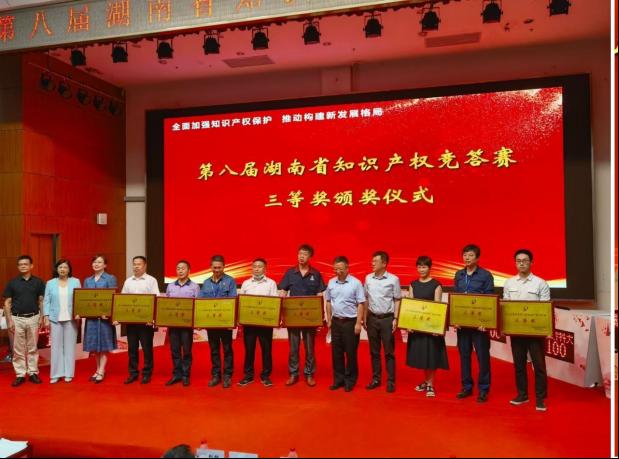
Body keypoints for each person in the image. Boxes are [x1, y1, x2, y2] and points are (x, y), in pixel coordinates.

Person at [503, 249, 551, 412]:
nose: (521, 263)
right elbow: (506, 306)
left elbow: (545, 308)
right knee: (519, 365)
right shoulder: (509, 283)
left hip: (535, 332)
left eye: (525, 260)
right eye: (518, 261)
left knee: (539, 366)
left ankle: (540, 398)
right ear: (515, 263)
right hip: (516, 331)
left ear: (531, 263)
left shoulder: (540, 283)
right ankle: (522, 395)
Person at [278, 244, 326, 387]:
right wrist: (281, 312)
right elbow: (283, 292)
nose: (301, 256)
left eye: (304, 254)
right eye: (299, 253)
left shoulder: (316, 274)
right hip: (293, 317)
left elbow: (319, 295)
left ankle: (309, 374)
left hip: (310, 318)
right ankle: (293, 374)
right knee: (293, 348)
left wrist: (320, 315)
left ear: (310, 257)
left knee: (309, 348)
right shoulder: (290, 273)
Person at [453, 244, 495, 403]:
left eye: (470, 255)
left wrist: (486, 322)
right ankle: (467, 387)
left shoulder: (485, 275)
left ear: (477, 258)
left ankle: (483, 389)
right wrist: (455, 320)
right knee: (464, 356)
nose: (467, 258)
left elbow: (490, 300)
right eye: (465, 255)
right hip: (463, 325)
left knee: (482, 357)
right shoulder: (459, 274)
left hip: (479, 325)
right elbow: (456, 299)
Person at [407, 256, 449, 397]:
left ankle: (430, 384)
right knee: (423, 356)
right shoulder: (413, 284)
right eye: (419, 267)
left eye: (424, 267)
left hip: (431, 328)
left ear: (430, 268)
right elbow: (410, 306)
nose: (421, 269)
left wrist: (437, 328)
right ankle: (426, 382)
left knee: (431, 356)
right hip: (418, 326)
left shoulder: (436, 285)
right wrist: (408, 324)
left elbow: (438, 308)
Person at [2, 255, 46, 387]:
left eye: (25, 264)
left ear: (31, 266)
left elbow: (41, 301)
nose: (23, 266)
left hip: (33, 318)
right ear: (18, 267)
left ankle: (33, 372)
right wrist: (9, 320)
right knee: (18, 349)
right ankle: (20, 374)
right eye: (20, 264)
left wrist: (42, 317)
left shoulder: (38, 282)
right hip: (17, 319)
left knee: (33, 347)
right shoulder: (12, 283)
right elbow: (7, 303)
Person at [325, 256, 366, 392]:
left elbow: (361, 304)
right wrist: (329, 319)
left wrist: (358, 323)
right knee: (336, 353)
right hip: (336, 322)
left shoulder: (356, 283)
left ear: (347, 268)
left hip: (350, 322)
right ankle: (338, 380)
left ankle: (350, 380)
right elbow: (328, 301)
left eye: (341, 269)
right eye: (336, 269)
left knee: (351, 353)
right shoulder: (331, 282)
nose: (338, 272)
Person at [363, 251, 401, 393]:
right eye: (372, 261)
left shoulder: (393, 279)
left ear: (384, 263)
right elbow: (366, 298)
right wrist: (364, 317)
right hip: (372, 318)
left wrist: (396, 318)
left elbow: (397, 299)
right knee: (374, 351)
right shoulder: (368, 278)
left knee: (389, 352)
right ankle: (376, 379)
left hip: (387, 319)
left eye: (375, 261)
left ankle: (391, 381)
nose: (372, 263)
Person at [238, 258, 278, 387]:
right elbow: (241, 302)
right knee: (249, 350)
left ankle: (266, 376)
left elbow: (275, 302)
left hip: (265, 324)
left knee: (266, 350)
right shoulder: (246, 283)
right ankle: (248, 376)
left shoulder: (271, 283)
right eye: (254, 266)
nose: (256, 269)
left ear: (265, 269)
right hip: (249, 324)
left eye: (259, 266)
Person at [199, 255, 237, 389]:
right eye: (214, 267)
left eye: (219, 267)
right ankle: (216, 375)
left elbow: (233, 300)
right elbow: (200, 302)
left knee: (227, 349)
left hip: (225, 323)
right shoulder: (206, 282)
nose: (217, 270)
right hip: (211, 324)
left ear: (224, 267)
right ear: (211, 267)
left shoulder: (230, 281)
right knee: (214, 350)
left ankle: (227, 375)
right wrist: (200, 321)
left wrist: (231, 322)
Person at [121, 256, 160, 384]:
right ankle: (133, 373)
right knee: (132, 349)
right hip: (131, 322)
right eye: (134, 264)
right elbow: (122, 301)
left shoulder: (151, 280)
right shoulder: (128, 281)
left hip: (146, 322)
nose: (136, 266)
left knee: (147, 349)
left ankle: (147, 373)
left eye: (139, 264)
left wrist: (152, 318)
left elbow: (156, 299)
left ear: (145, 266)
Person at [81, 254, 118, 384]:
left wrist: (109, 314)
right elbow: (84, 299)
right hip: (91, 318)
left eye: (99, 262)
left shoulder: (110, 278)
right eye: (94, 262)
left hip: (104, 318)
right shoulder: (87, 280)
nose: (96, 264)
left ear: (105, 265)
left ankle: (101, 370)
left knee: (103, 344)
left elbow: (114, 298)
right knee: (94, 345)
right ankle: (97, 369)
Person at [43, 259, 81, 383]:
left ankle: (68, 373)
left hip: (71, 318)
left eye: (65, 267)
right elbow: (46, 301)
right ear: (57, 269)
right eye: (60, 267)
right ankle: (56, 374)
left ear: (69, 269)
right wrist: (46, 316)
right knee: (56, 347)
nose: (62, 269)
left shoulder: (75, 281)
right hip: (55, 319)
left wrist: (78, 313)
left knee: (70, 347)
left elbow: (79, 299)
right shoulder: (50, 283)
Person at [165, 260, 200, 387]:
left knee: (186, 351)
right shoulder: (170, 286)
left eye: (183, 268)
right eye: (178, 268)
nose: (180, 271)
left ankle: (185, 375)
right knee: (174, 350)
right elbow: (166, 305)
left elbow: (198, 306)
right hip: (173, 325)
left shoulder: (195, 287)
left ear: (189, 271)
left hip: (186, 326)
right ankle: (176, 374)